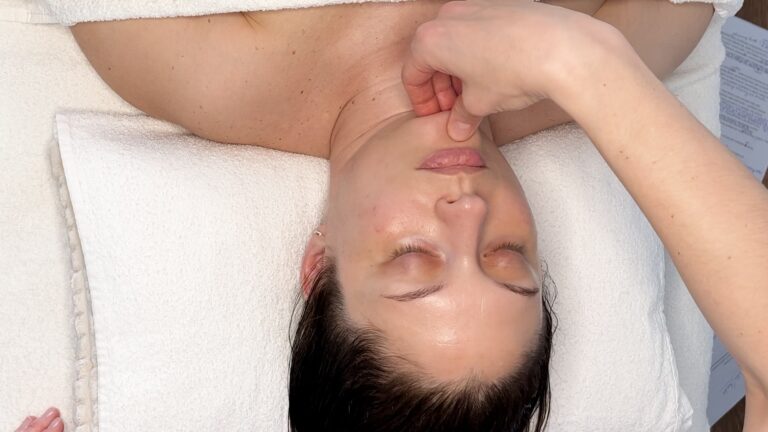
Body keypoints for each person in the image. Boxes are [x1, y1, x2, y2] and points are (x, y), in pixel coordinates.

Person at [15, 1, 721, 431]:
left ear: (318, 260)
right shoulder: (595, 69)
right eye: (508, 256)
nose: (469, 209)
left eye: (414, 257)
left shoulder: (202, 66)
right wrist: (577, 64)